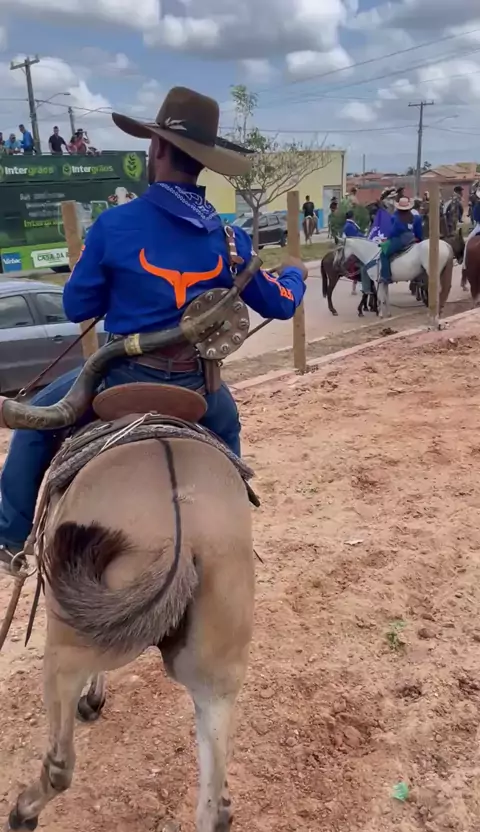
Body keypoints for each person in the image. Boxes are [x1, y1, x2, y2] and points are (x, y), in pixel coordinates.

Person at [0, 86, 308, 567]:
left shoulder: (114, 225)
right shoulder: (230, 240)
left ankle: (11, 538)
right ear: (201, 162)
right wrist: (295, 274)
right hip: (198, 386)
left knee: (39, 417)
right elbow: (282, 304)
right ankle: (230, 528)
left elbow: (77, 303)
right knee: (228, 427)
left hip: (120, 376)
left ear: (158, 147)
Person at [379, 196, 422, 284]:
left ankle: (386, 276)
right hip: (411, 238)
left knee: (383, 254)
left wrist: (387, 240)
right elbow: (419, 231)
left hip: (400, 239)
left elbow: (393, 232)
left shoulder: (396, 217)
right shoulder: (414, 217)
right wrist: (419, 239)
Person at [342, 211, 364, 295]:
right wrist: (364, 236)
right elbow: (355, 236)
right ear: (352, 216)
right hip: (353, 248)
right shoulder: (349, 226)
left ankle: (356, 287)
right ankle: (357, 287)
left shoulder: (350, 224)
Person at [463, 189, 480, 270]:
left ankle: (464, 264)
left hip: (479, 226)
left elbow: (476, 218)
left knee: (468, 242)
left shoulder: (477, 206)